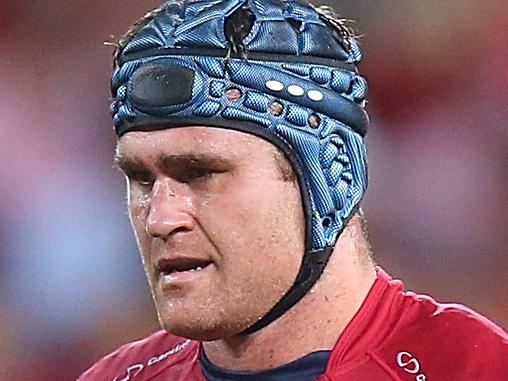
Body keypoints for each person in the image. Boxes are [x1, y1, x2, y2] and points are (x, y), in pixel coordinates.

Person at [79, 0, 508, 380]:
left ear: (333, 177)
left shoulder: (476, 368)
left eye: (201, 173)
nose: (160, 218)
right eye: (142, 180)